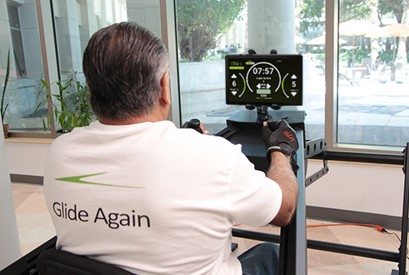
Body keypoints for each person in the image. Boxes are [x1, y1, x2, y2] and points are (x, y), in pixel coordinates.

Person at [43, 22, 299, 274]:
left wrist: (185, 143)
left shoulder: (60, 152)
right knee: (270, 252)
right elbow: (283, 210)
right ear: (164, 86)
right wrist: (281, 150)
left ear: (92, 90)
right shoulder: (215, 156)